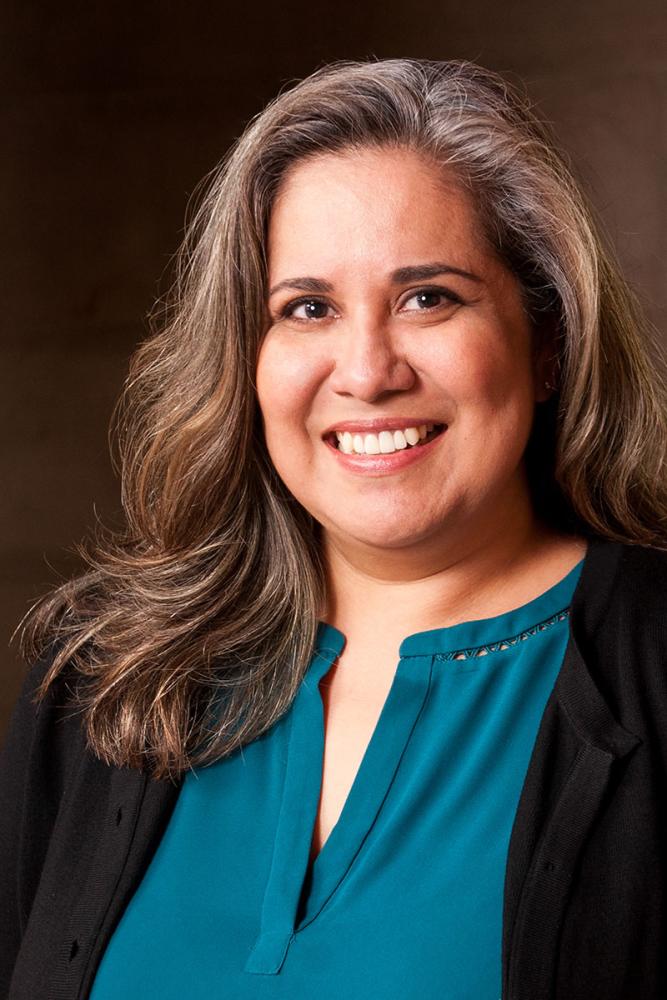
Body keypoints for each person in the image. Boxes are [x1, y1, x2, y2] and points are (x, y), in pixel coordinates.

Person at [1, 57, 667, 1000]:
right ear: (249, 355)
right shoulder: (103, 681)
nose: (365, 370)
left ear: (547, 341)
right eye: (306, 308)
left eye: (427, 297)